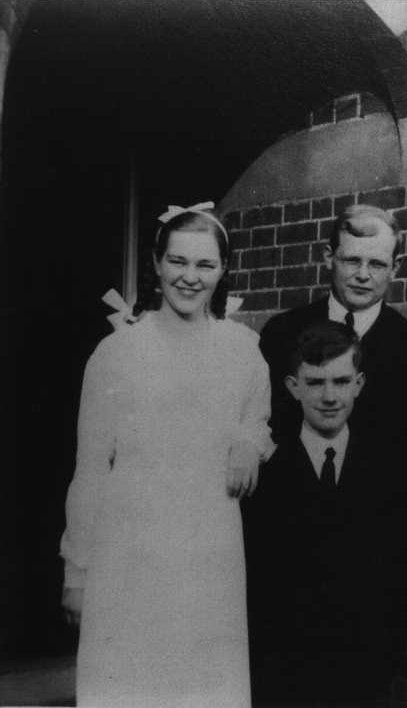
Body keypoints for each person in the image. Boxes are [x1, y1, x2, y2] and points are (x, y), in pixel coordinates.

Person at [60, 201, 273, 708]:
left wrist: (248, 442)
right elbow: (89, 469)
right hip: (129, 555)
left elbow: (259, 417)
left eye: (205, 264)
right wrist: (77, 571)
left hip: (209, 556)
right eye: (178, 261)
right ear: (156, 263)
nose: (190, 277)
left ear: (223, 271)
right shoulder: (117, 354)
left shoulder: (243, 348)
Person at [260, 203, 407, 560]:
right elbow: (261, 423)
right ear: (329, 257)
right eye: (351, 261)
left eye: (376, 264)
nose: (362, 275)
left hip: (384, 542)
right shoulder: (283, 333)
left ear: (395, 268)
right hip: (292, 536)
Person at [244, 322, 407, 707]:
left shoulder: (388, 473)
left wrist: (382, 665)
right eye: (315, 382)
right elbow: (256, 590)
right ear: (292, 387)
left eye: (341, 382)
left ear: (358, 384)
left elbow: (400, 580)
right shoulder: (266, 477)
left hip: (364, 677)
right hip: (283, 678)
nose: (329, 396)